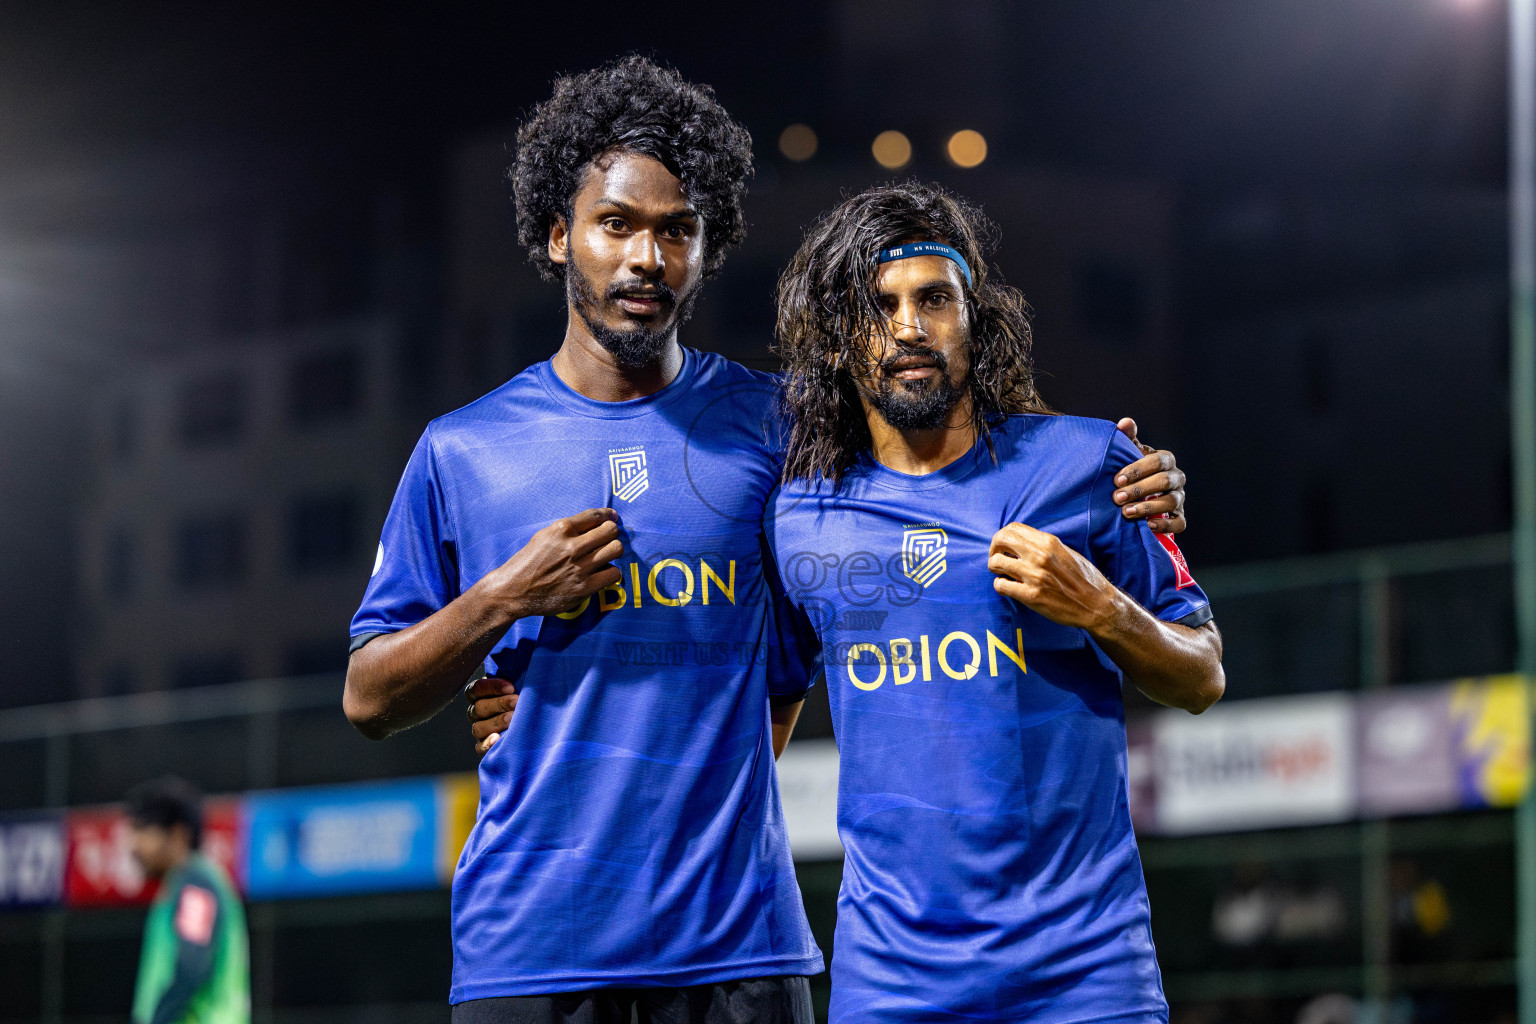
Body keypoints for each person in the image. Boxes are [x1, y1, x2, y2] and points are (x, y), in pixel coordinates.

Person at [356, 57, 1186, 1022]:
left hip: (738, 948)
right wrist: (502, 600)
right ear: (557, 235)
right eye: (616, 224)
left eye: (678, 231)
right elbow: (371, 696)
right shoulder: (462, 449)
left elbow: (937, 456)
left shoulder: (781, 428)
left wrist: (1128, 478)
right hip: (528, 951)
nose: (646, 259)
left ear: (709, 251)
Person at [763, 181, 1224, 1023]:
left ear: (977, 320)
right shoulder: (797, 516)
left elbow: (1202, 677)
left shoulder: (1091, 464)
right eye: (878, 306)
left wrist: (1102, 609)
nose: (908, 326)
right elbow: (764, 722)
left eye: (934, 298)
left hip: (1086, 973)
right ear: (835, 342)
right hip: (892, 982)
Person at [126, 776, 249, 1024]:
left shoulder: (196, 884)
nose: (133, 845)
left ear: (178, 834)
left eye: (142, 830)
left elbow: (191, 968)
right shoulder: (182, 886)